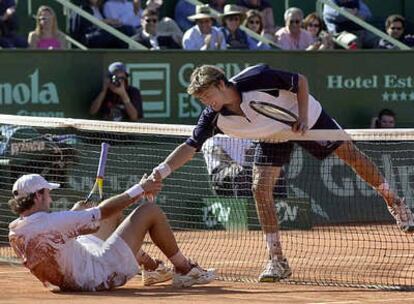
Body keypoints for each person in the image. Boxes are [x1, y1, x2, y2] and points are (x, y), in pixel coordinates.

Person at [150, 63, 414, 282]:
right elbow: (190, 147)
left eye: (208, 95)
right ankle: (277, 260)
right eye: (201, 99)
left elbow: (299, 80)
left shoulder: (257, 76)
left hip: (306, 119)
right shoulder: (213, 118)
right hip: (270, 136)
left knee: (352, 157)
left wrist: (300, 115)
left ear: (221, 84)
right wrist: (159, 173)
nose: (206, 102)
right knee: (260, 188)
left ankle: (395, 203)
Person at [8, 173, 216, 291]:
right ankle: (185, 270)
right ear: (37, 197)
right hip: (99, 275)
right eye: (47, 194)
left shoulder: (15, 231)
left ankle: (153, 269)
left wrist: (78, 214)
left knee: (100, 214)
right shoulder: (55, 222)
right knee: (149, 211)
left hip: (67, 279)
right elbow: (103, 211)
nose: (50, 199)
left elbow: (67, 230)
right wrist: (140, 188)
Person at [69, 0, 135, 48]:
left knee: (126, 29)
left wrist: (111, 23)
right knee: (115, 33)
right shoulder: (82, 9)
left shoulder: (99, 9)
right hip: (89, 38)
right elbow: (82, 31)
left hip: (103, 37)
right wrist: (105, 22)